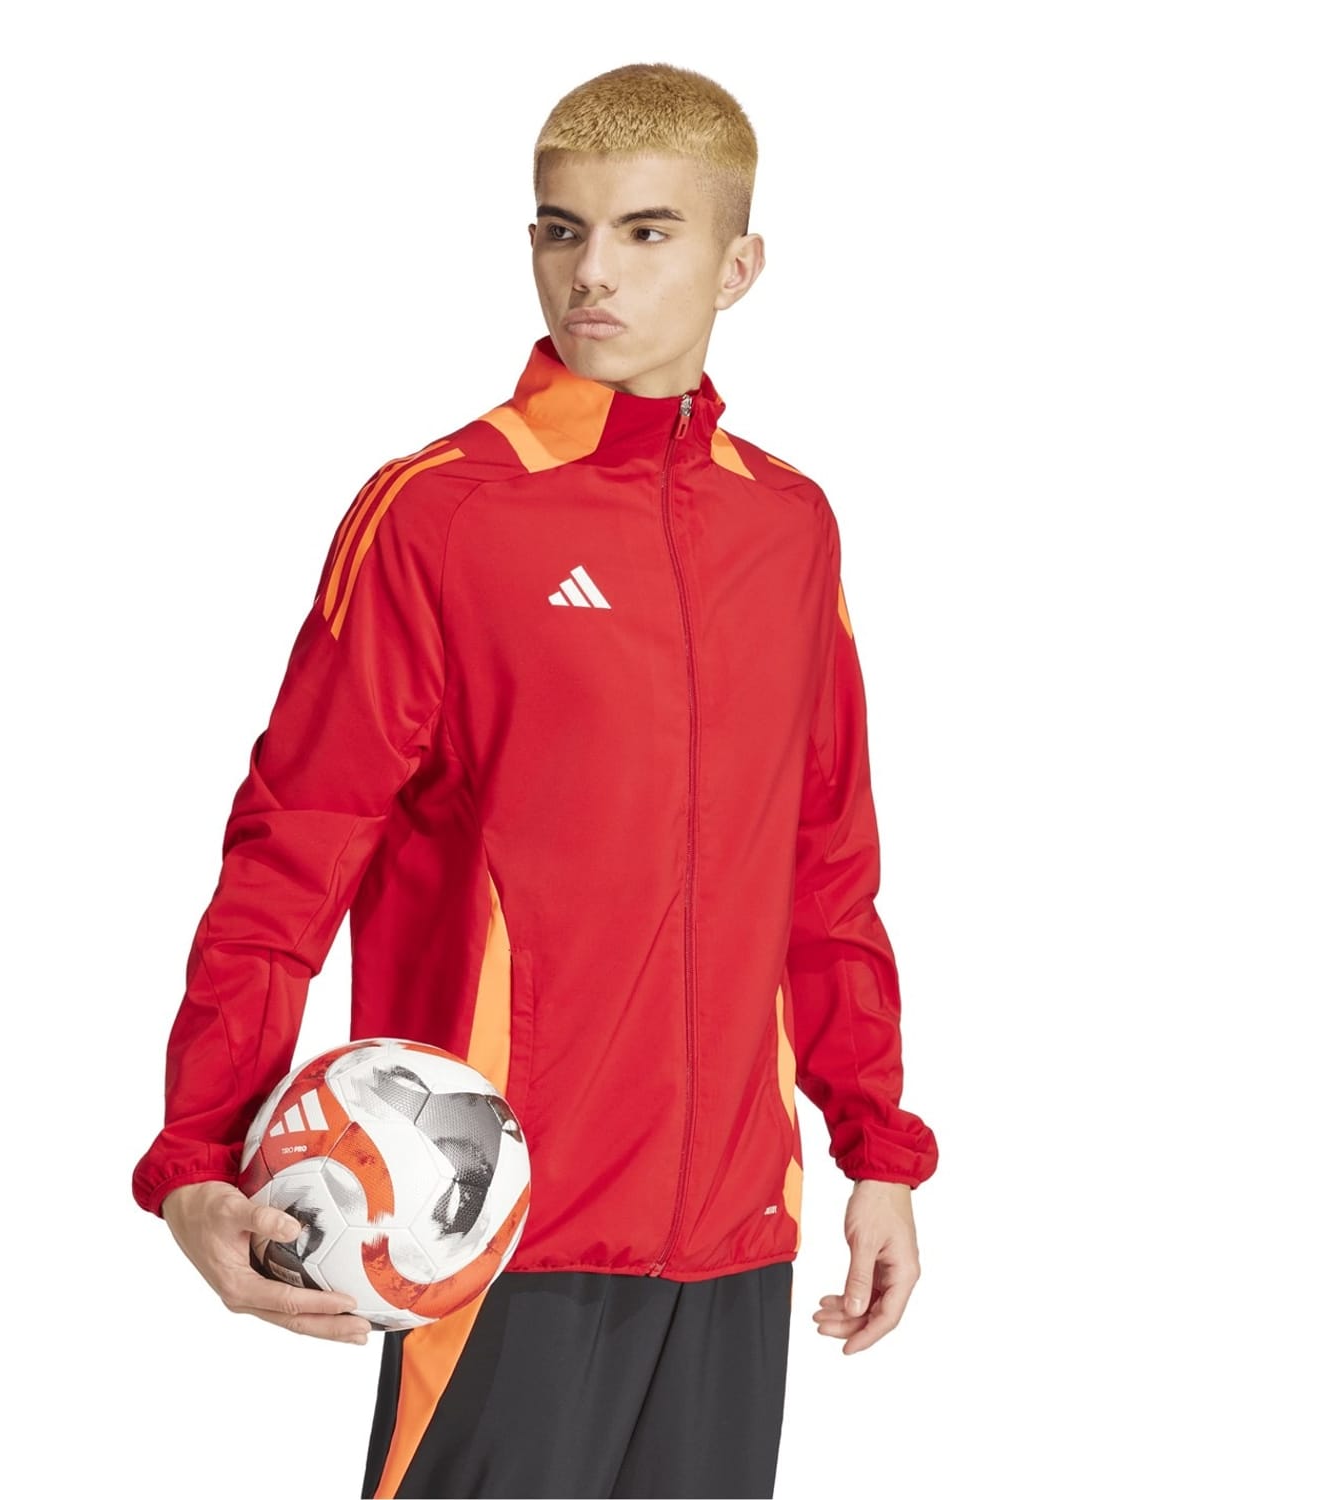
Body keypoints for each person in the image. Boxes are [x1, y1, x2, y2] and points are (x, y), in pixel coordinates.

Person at [132, 61, 939, 1500]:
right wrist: (199, 1150)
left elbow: (824, 868)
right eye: (562, 230)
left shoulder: (790, 528)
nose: (592, 273)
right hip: (489, 1222)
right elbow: (296, 844)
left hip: (736, 1233)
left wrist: (877, 1146)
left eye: (646, 231)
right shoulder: (443, 512)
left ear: (739, 265)